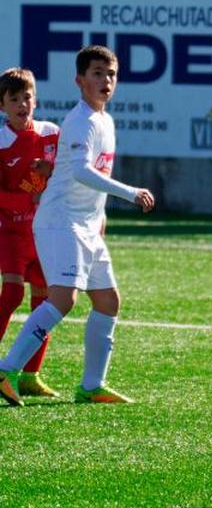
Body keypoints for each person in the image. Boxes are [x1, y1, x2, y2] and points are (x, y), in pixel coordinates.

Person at [0, 46, 155, 406]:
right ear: (80, 81)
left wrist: (100, 217)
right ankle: (8, 368)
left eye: (111, 74)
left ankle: (91, 385)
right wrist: (131, 193)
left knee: (107, 301)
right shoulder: (80, 121)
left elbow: (93, 176)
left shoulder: (105, 121)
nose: (106, 81)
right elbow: (84, 172)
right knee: (62, 298)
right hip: (59, 222)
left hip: (85, 225)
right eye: (98, 73)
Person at [0, 68, 60, 400]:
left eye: (28, 97)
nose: (23, 104)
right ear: (2, 106)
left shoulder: (52, 134)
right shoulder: (2, 141)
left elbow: (67, 174)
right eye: (14, 99)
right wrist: (26, 197)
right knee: (11, 295)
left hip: (46, 233)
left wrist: (50, 176)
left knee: (45, 301)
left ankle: (30, 375)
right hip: (11, 232)